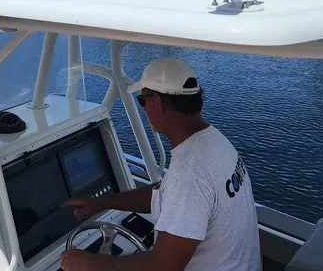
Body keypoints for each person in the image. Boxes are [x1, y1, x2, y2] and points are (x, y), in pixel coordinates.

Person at [60, 57, 261, 271]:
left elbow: (163, 266)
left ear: (157, 102)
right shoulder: (213, 140)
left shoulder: (189, 172)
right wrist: (100, 203)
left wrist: (89, 263)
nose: (144, 108)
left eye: (142, 100)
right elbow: (164, 195)